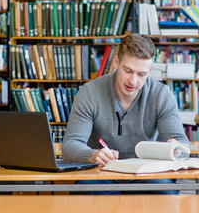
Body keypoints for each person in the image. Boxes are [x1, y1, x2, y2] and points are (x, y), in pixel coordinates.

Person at [62, 34, 190, 194]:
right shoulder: (89, 93)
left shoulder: (161, 95)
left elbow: (183, 142)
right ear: (116, 62)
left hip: (147, 173)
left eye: (141, 74)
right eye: (128, 71)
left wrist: (176, 147)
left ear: (150, 70)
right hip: (101, 172)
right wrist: (93, 155)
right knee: (85, 198)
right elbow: (70, 145)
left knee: (169, 198)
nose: (133, 81)